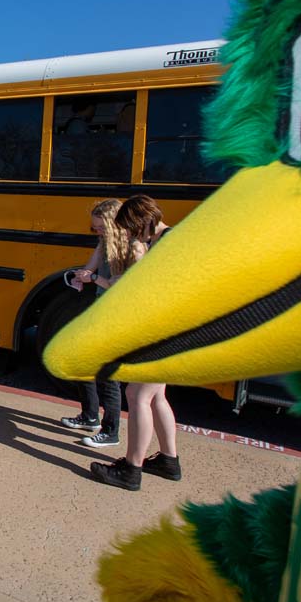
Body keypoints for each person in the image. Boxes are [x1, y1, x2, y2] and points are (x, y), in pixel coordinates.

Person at [89, 194, 181, 490]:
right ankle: (169, 460)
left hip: (160, 332)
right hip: (171, 331)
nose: (128, 234)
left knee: (137, 396)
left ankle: (131, 469)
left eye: (130, 227)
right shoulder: (169, 239)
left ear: (143, 221)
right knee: (157, 397)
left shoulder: (164, 243)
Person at [58, 199, 125, 446]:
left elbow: (120, 284)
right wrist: (82, 276)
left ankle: (111, 431)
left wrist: (94, 277)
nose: (96, 231)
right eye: (94, 228)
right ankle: (89, 415)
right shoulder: (105, 242)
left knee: (109, 375)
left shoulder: (127, 248)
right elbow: (92, 265)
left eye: (100, 227)